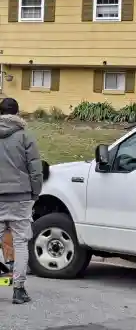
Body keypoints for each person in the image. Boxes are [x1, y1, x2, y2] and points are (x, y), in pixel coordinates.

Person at [0, 98, 43, 304]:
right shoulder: (26, 136)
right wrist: (35, 193)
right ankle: (18, 290)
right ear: (18, 113)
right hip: (20, 197)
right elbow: (35, 169)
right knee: (20, 243)